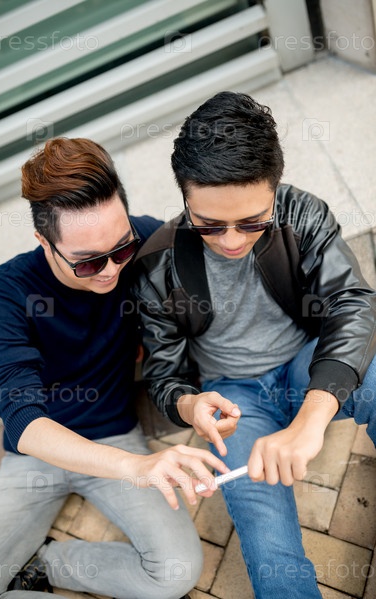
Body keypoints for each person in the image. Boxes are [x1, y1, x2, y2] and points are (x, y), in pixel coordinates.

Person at [133, 91, 376, 598]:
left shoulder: (303, 213)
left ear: (274, 189)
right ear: (185, 199)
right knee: (268, 545)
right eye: (208, 224)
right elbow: (163, 374)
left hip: (306, 364)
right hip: (232, 400)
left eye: (252, 222)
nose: (231, 241)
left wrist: (311, 420)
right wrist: (189, 405)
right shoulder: (157, 264)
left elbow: (353, 304)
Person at [0, 137, 230, 599]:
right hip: (37, 453)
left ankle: (46, 564)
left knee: (175, 573)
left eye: (121, 249)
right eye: (88, 262)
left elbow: (226, 248)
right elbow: (23, 421)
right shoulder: (4, 294)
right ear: (43, 242)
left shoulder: (146, 241)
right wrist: (138, 467)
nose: (111, 269)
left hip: (115, 435)